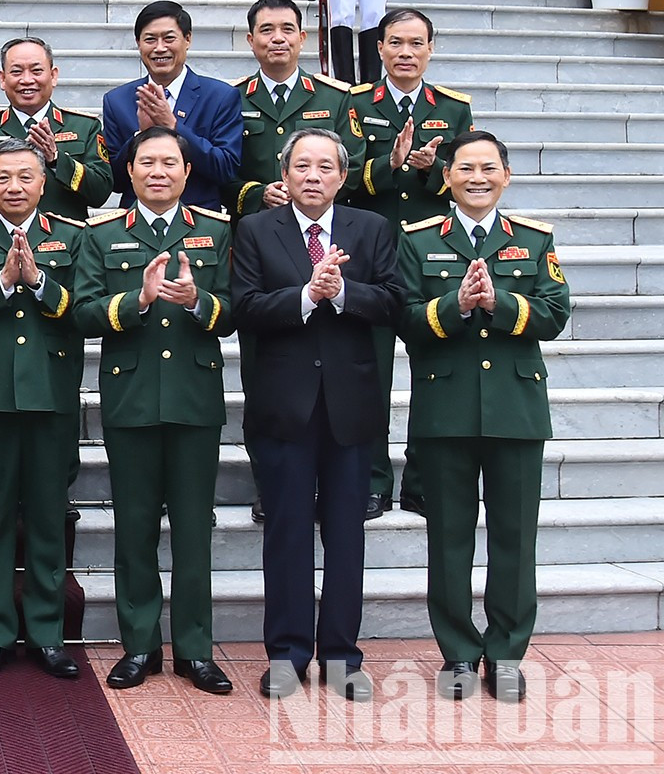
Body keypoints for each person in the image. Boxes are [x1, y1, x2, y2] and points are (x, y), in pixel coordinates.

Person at [397, 132, 570, 704]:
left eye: (488, 168)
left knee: (514, 539)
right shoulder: (418, 241)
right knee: (448, 539)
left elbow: (554, 313)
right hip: (445, 410)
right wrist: (457, 305)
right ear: (446, 176)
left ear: (507, 175)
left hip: (516, 411)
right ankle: (459, 655)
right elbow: (403, 316)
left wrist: (500, 304)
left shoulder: (533, 239)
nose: (477, 177)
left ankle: (506, 653)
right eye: (465, 168)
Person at [232, 128, 401, 701]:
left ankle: (342, 657)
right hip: (284, 407)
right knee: (285, 532)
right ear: (284, 173)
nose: (312, 176)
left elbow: (392, 302)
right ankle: (286, 654)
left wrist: (343, 290)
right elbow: (245, 309)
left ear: (342, 176)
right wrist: (307, 295)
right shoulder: (256, 229)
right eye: (301, 165)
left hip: (350, 409)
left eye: (324, 167)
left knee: (347, 536)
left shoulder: (371, 229)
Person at [72, 125, 233, 695]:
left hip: (193, 397)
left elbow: (236, 309)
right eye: (147, 162)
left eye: (170, 162)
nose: (159, 171)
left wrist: (200, 303)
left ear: (188, 173)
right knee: (134, 528)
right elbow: (83, 313)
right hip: (132, 396)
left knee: (193, 529)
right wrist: (136, 300)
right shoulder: (103, 234)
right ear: (131, 172)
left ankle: (195, 648)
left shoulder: (215, 231)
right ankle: (139, 645)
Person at [0, 138, 86, 681]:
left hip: (51, 392)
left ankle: (48, 633)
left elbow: (85, 310)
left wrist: (38, 281)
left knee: (48, 517)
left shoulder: (75, 237)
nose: (14, 187)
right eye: (2, 178)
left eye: (25, 177)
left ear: (43, 181)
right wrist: (4, 282)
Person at [348, 8, 476, 517]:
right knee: (370, 374)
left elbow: (469, 176)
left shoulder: (453, 108)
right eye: (395, 43)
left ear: (431, 49)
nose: (405, 53)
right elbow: (348, 175)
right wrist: (392, 163)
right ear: (379, 48)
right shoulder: (355, 103)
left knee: (434, 369)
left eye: (416, 43)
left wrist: (433, 170)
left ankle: (423, 476)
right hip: (371, 255)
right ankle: (374, 479)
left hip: (432, 257)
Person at [100, 0, 241, 211]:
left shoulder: (221, 96)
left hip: (198, 223)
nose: (160, 48)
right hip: (134, 224)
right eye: (150, 39)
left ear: (188, 39)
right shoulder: (117, 100)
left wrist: (174, 127)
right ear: (138, 43)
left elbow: (226, 168)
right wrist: (140, 134)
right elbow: (114, 181)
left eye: (169, 38)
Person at [228, 0, 360, 220]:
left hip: (320, 224)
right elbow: (221, 170)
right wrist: (258, 194)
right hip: (253, 225)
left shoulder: (334, 97)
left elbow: (354, 163)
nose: (278, 38)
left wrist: (307, 195)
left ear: (301, 38)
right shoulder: (231, 97)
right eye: (267, 30)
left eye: (287, 29)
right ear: (251, 40)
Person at [0, 36, 111, 222]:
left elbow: (101, 192)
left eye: (36, 71)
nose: (27, 80)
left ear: (53, 75)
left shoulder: (84, 126)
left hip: (65, 243)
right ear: (2, 79)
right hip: (1, 243)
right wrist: (2, 173)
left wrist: (57, 160)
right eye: (16, 72)